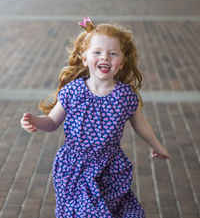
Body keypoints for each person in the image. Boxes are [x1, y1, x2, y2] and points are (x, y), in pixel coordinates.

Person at [20, 17, 170, 218]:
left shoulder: (125, 96)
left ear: (121, 62)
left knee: (115, 211)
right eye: (97, 52)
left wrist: (157, 146)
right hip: (75, 168)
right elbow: (53, 122)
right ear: (84, 58)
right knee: (87, 213)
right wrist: (36, 122)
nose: (105, 57)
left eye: (112, 53)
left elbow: (140, 125)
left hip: (110, 168)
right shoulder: (73, 91)